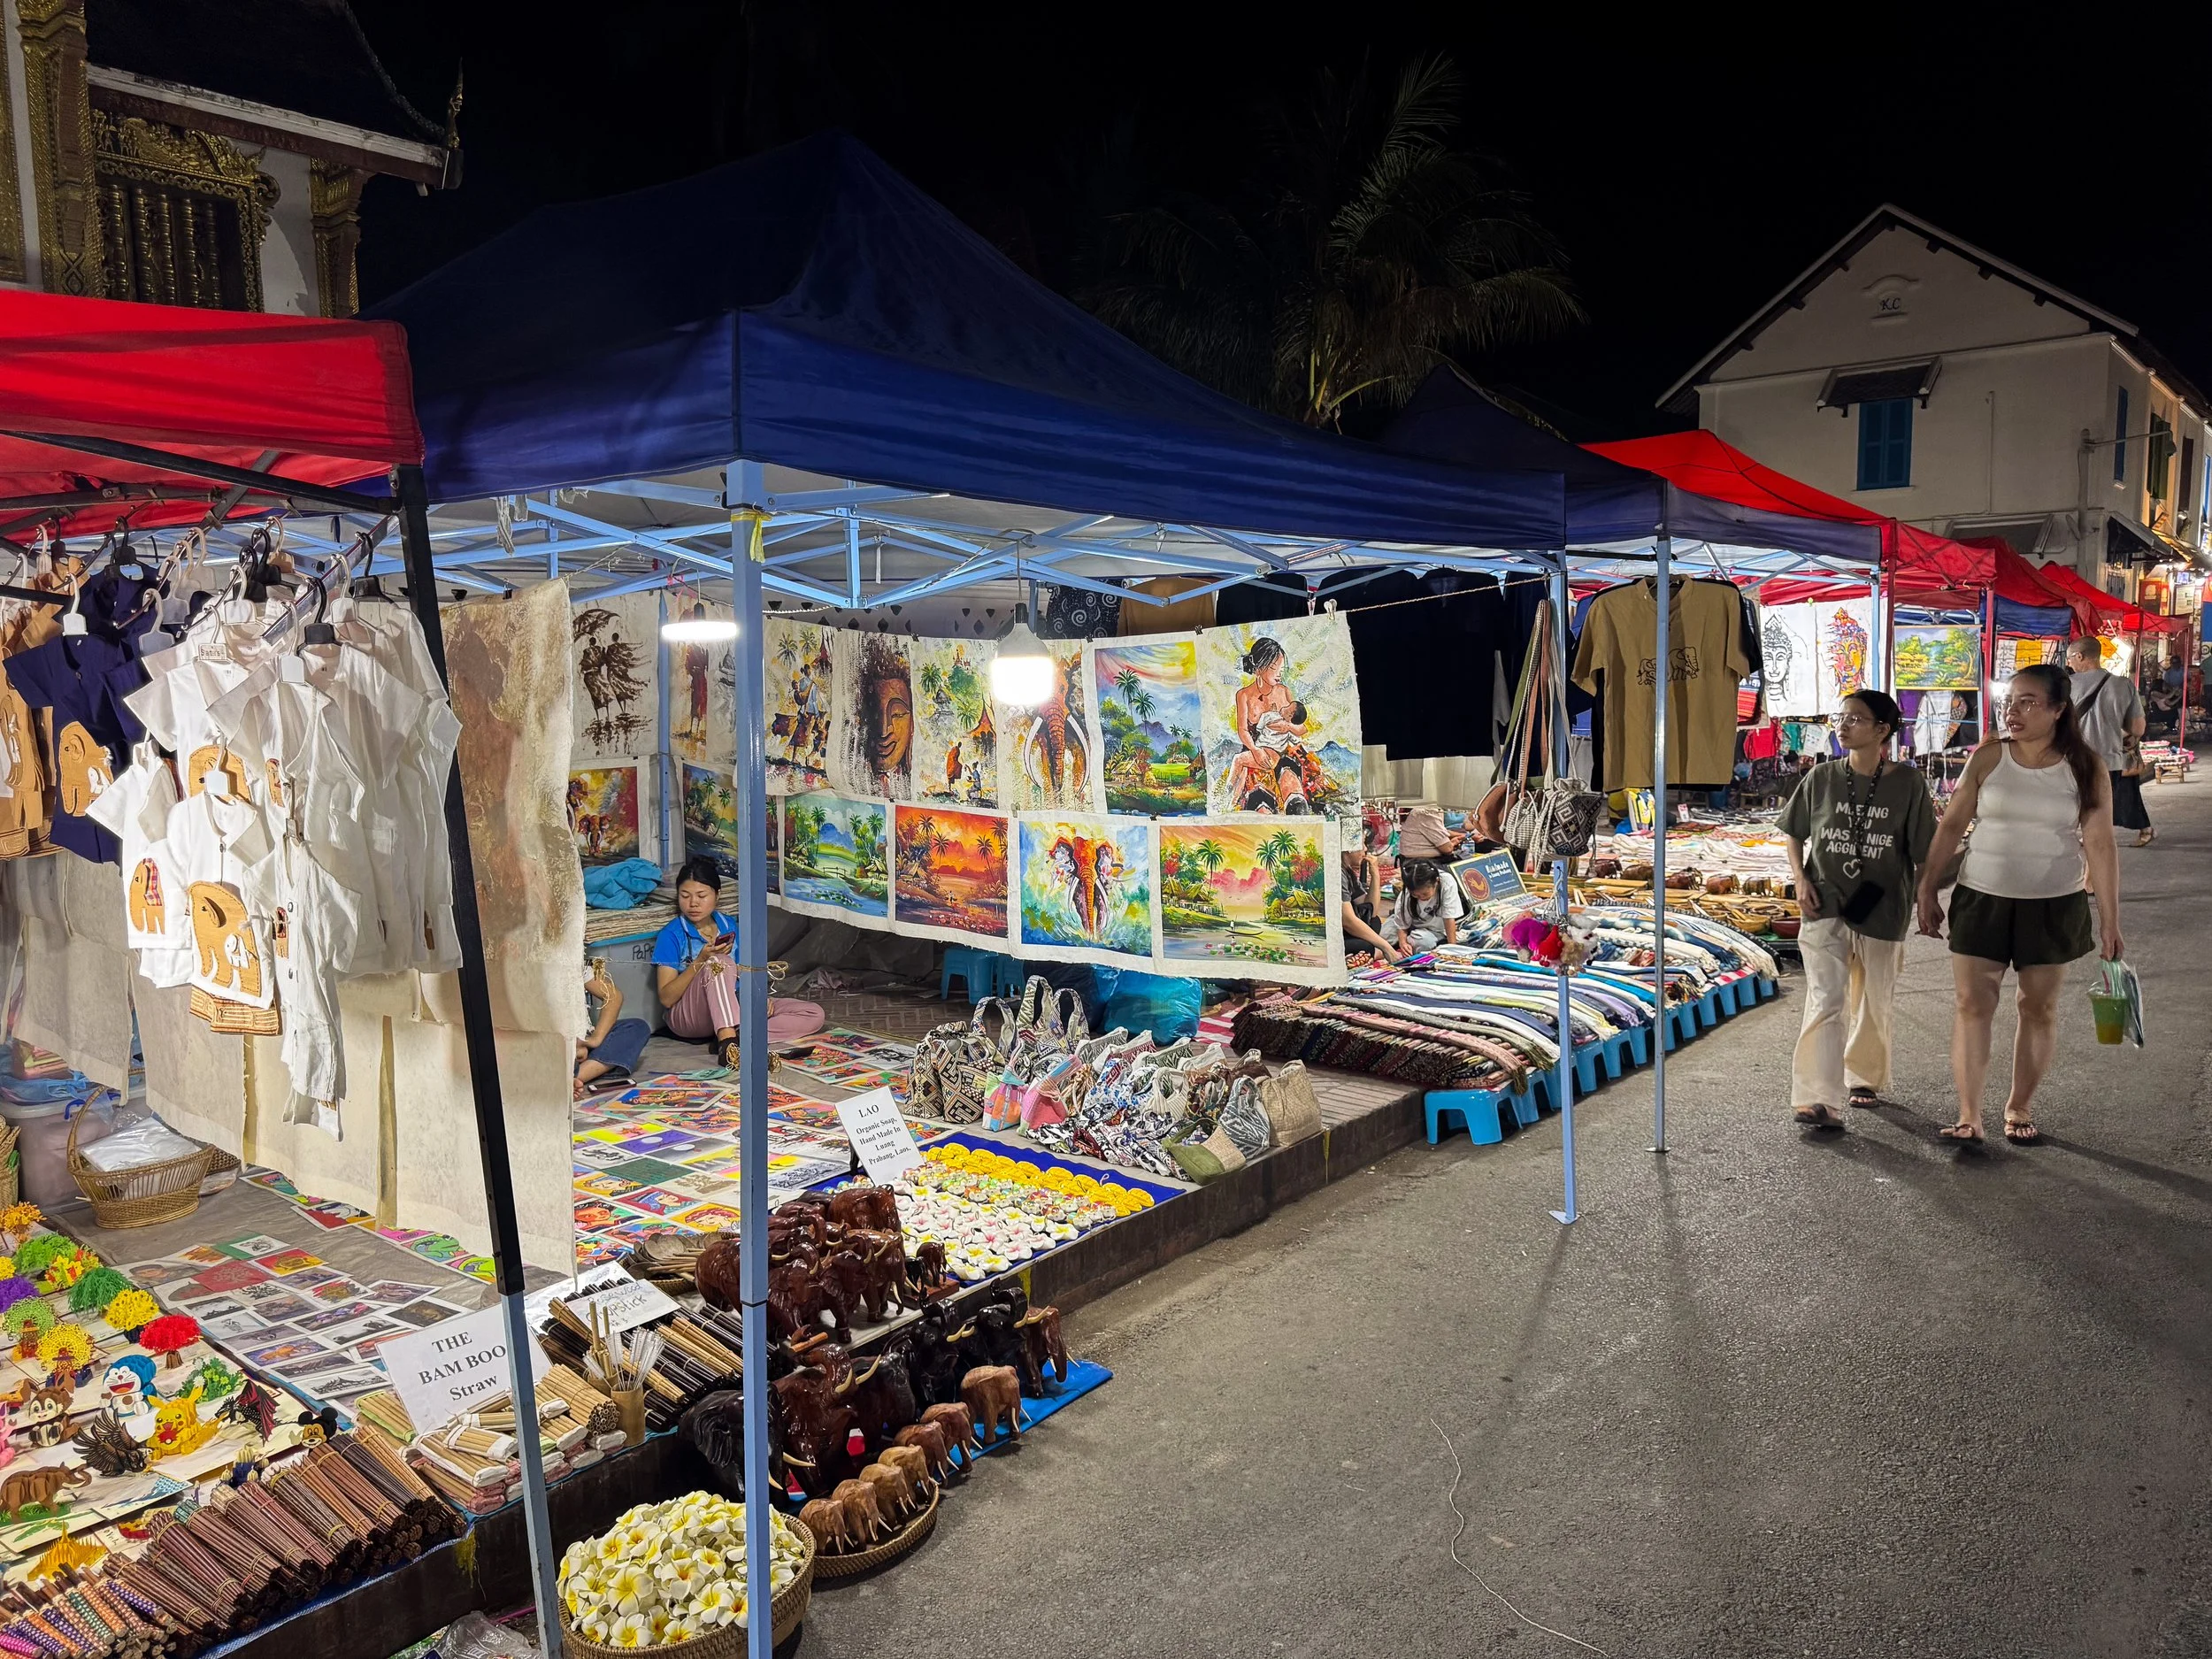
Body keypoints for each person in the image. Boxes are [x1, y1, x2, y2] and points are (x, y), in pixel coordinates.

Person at [1915, 662, 2123, 1146]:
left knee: (2038, 1007)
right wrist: (1927, 887)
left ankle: (2019, 1106)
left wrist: (2110, 920)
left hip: (2053, 902)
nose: (2014, 711)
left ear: (2057, 710)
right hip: (1982, 896)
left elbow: (2101, 844)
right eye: (2010, 701)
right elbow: (1950, 826)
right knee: (1971, 1004)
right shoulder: (1988, 758)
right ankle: (1970, 1115)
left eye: (2028, 702)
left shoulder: (2085, 766)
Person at [1779, 689, 1936, 1131]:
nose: (1843, 726)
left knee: (1874, 998)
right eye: (1840, 717)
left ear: (1883, 730)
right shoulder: (1822, 777)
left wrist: (1928, 895)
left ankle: (1863, 1077)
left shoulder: (1908, 783)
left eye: (1855, 719)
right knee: (1825, 999)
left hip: (1884, 905)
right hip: (1823, 900)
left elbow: (1925, 851)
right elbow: (1794, 831)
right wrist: (1799, 878)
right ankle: (1818, 1098)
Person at [653, 856, 745, 1067]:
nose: (693, 903)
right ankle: (728, 1042)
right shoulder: (672, 934)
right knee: (719, 962)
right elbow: (667, 999)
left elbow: (743, 973)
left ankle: (729, 1035)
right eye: (685, 896)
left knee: (811, 1014)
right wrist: (701, 960)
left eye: (702, 896)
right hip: (688, 1018)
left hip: (727, 1007)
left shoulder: (729, 925)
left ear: (717, 895)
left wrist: (759, 999)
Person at [2064, 637, 2153, 846]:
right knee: (2102, 810)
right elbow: (2138, 729)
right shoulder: (2123, 685)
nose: (2069, 664)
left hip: (2073, 759)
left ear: (2079, 656)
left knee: (2077, 805)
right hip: (2111, 761)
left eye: (2069, 659)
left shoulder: (2065, 686)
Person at [576, 963, 651, 1098]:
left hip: (582, 1044)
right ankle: (572, 1077)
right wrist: (572, 1045)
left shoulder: (574, 964)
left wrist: (594, 1040)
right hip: (553, 1047)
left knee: (637, 1027)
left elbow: (614, 997)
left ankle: (573, 1077)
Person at [1340, 826, 1401, 964]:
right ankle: (1374, 952)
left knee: (1375, 922)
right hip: (1333, 935)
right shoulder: (1337, 873)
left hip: (1345, 932)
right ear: (1350, 847)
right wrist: (1386, 947)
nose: (1366, 849)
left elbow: (1371, 910)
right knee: (1366, 945)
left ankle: (1373, 952)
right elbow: (1348, 921)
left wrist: (1375, 875)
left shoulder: (1347, 871)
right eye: (1363, 844)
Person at [1384, 859, 1462, 953]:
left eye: (1424, 894)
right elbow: (1402, 924)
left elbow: (1449, 917)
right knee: (1383, 937)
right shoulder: (1407, 892)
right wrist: (1403, 943)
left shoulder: (1446, 882)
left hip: (1433, 929)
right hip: (1409, 925)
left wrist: (1453, 949)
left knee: (1423, 942)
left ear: (1436, 882)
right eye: (1416, 895)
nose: (1421, 898)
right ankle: (1403, 946)